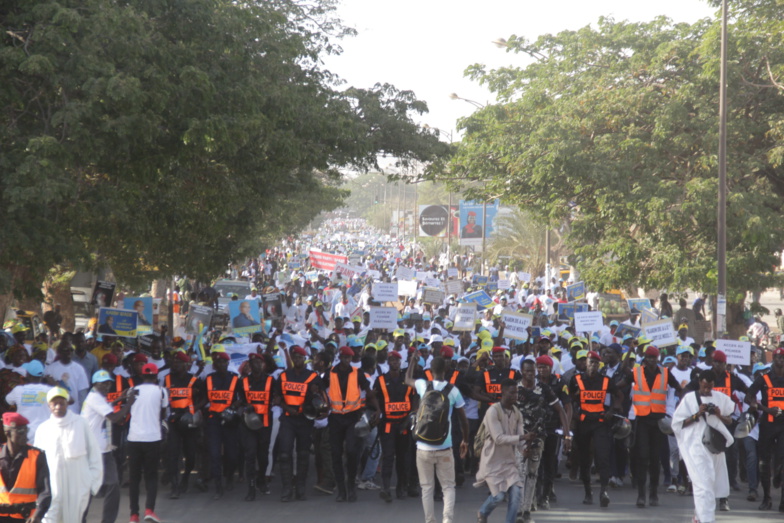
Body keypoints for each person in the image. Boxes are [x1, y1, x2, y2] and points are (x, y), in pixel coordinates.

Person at [405, 355, 469, 523]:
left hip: (423, 447)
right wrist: (465, 440)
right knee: (448, 487)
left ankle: (430, 520)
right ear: (445, 370)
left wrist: (413, 361)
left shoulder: (422, 385)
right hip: (445, 447)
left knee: (426, 488)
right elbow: (463, 420)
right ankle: (447, 520)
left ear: (430, 371)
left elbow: (407, 379)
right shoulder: (453, 390)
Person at [672, 370, 735, 523]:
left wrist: (718, 414)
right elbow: (678, 423)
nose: (707, 390)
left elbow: (730, 421)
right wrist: (697, 414)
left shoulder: (720, 398)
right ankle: (707, 519)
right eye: (705, 386)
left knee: (710, 484)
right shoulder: (689, 398)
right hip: (695, 446)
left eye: (710, 387)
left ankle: (698, 517)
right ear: (700, 382)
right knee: (703, 484)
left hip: (714, 447)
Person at [34, 387, 102, 523]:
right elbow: (37, 463)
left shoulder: (81, 423)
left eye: (62, 403)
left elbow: (94, 454)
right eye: (54, 403)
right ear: (49, 406)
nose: (58, 406)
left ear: (67, 404)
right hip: (52, 489)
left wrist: (92, 484)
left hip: (77, 487)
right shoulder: (43, 429)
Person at [81, 370, 135, 523]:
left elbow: (105, 409)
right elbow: (115, 417)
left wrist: (120, 398)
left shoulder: (96, 397)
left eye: (108, 383)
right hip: (95, 451)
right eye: (102, 383)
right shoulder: (95, 398)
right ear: (95, 384)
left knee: (109, 486)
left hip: (101, 450)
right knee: (95, 488)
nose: (106, 386)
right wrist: (129, 403)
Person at [327, 346, 379, 502]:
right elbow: (320, 389)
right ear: (339, 357)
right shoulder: (330, 373)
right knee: (336, 454)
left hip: (352, 417)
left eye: (348, 358)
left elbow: (368, 392)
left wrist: (377, 409)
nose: (346, 361)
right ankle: (341, 491)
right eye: (343, 357)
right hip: (335, 418)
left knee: (351, 451)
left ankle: (351, 486)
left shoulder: (358, 373)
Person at [570, 351, 618, 507]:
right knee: (584, 459)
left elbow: (619, 396)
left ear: (599, 365)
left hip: (600, 423)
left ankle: (603, 491)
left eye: (596, 363)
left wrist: (611, 411)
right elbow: (568, 400)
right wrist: (573, 414)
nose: (593, 366)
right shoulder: (576, 380)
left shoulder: (605, 380)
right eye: (590, 363)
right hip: (583, 424)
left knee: (602, 457)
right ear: (586, 364)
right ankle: (588, 492)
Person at [274, 346, 321, 501]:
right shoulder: (284, 375)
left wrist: (314, 393)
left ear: (304, 359)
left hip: (304, 420)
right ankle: (287, 488)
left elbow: (320, 399)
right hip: (288, 418)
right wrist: (287, 408)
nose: (297, 360)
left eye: (300, 357)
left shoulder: (313, 376)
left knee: (303, 454)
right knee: (285, 453)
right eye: (295, 357)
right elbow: (277, 398)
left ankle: (300, 488)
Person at [475, 379, 525, 523]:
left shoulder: (517, 413)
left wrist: (525, 447)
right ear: (502, 392)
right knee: (499, 496)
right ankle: (483, 512)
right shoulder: (493, 411)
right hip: (492, 462)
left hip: (509, 462)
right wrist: (522, 437)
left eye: (517, 392)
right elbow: (498, 438)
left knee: (516, 494)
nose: (515, 395)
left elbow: (520, 441)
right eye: (512, 392)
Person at [126, 363, 168, 523]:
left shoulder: (132, 390)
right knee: (151, 476)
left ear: (142, 376)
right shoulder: (161, 391)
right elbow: (162, 412)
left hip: (134, 438)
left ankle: (133, 514)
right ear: (156, 376)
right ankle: (149, 510)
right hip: (152, 438)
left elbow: (129, 410)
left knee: (134, 478)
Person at [745, 346, 784, 511]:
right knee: (764, 462)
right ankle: (766, 498)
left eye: (783, 358)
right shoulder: (764, 378)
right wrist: (762, 407)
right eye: (778, 358)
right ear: (773, 360)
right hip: (767, 425)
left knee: (781, 462)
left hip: (783, 426)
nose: (781, 361)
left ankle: (782, 500)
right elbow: (748, 397)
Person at [163, 351, 205, 499]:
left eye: (179, 362)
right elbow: (163, 400)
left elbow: (205, 398)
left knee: (190, 454)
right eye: (174, 362)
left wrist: (193, 410)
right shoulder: (167, 379)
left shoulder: (194, 380)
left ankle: (186, 476)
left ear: (186, 365)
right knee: (172, 454)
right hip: (173, 422)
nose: (175, 365)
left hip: (189, 422)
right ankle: (175, 486)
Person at [374, 350, 414, 502]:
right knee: (388, 456)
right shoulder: (381, 380)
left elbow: (415, 398)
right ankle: (385, 489)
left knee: (403, 458)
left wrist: (411, 415)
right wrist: (378, 409)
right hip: (388, 425)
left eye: (397, 360)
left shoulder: (407, 380)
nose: (394, 363)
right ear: (388, 362)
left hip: (404, 424)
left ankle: (401, 487)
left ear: (400, 362)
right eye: (392, 360)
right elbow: (374, 397)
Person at [0, 412, 51, 523]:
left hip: (26, 517)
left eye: (26, 430)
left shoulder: (37, 456)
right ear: (7, 433)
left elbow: (45, 491)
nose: (26, 436)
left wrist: (38, 514)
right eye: (21, 432)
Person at [239, 353, 274, 501]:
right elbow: (239, 399)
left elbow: (277, 396)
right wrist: (244, 405)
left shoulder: (271, 381)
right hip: (248, 423)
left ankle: (261, 479)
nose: (256, 365)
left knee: (263, 456)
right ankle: (251, 487)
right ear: (250, 365)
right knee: (250, 454)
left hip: (264, 423)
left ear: (263, 364)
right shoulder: (244, 381)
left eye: (259, 362)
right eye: (253, 363)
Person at [5, 361, 52, 442]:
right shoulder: (50, 390)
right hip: (46, 435)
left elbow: (8, 401)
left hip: (24, 436)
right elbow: (69, 400)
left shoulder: (18, 390)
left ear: (27, 374)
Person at [44, 343, 90, 414]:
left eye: (71, 350)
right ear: (59, 352)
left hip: (74, 412)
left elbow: (82, 393)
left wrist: (83, 412)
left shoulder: (79, 369)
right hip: (55, 412)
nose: (69, 352)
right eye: (66, 350)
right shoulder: (50, 369)